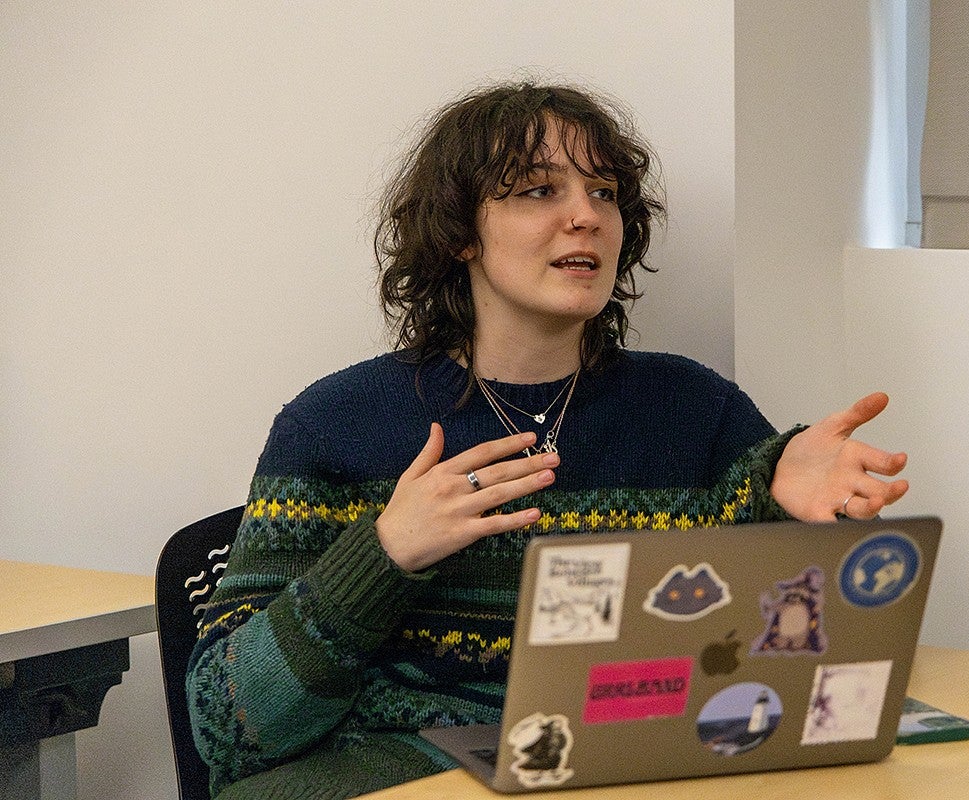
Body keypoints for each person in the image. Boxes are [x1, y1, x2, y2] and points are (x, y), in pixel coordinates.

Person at [187, 80, 908, 800]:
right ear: (460, 233)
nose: (585, 217)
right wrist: (384, 554)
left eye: (603, 192)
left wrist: (786, 508)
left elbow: (778, 666)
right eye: (538, 191)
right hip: (408, 769)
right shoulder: (337, 424)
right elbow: (231, 730)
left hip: (639, 762)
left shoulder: (696, 410)